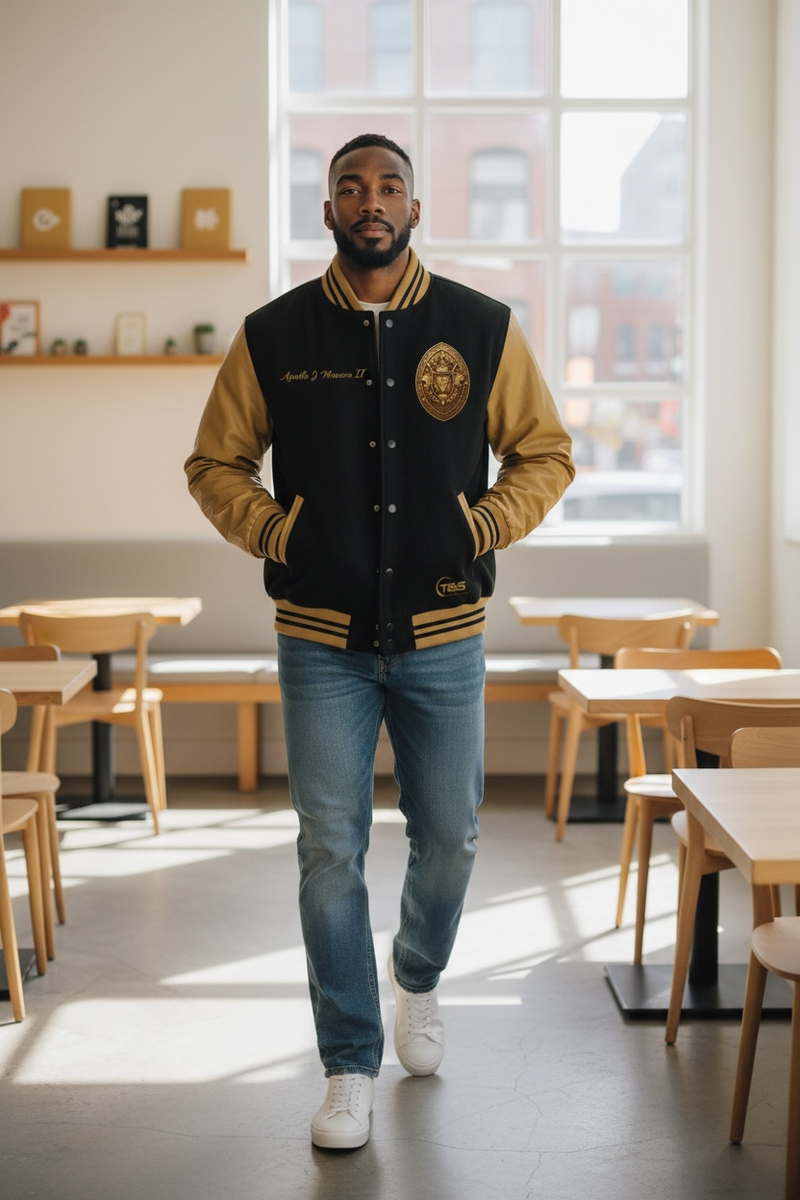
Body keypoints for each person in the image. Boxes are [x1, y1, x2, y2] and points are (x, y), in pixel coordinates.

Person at [185, 132, 574, 1150]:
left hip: (444, 634)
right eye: (349, 186)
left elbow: (543, 453)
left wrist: (479, 523)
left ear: (413, 209)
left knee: (449, 839)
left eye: (388, 185)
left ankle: (417, 977)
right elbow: (215, 463)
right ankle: (348, 1063)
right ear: (326, 213)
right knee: (329, 852)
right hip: (320, 639)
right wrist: (278, 531)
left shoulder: (479, 328)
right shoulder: (273, 333)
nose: (370, 200)